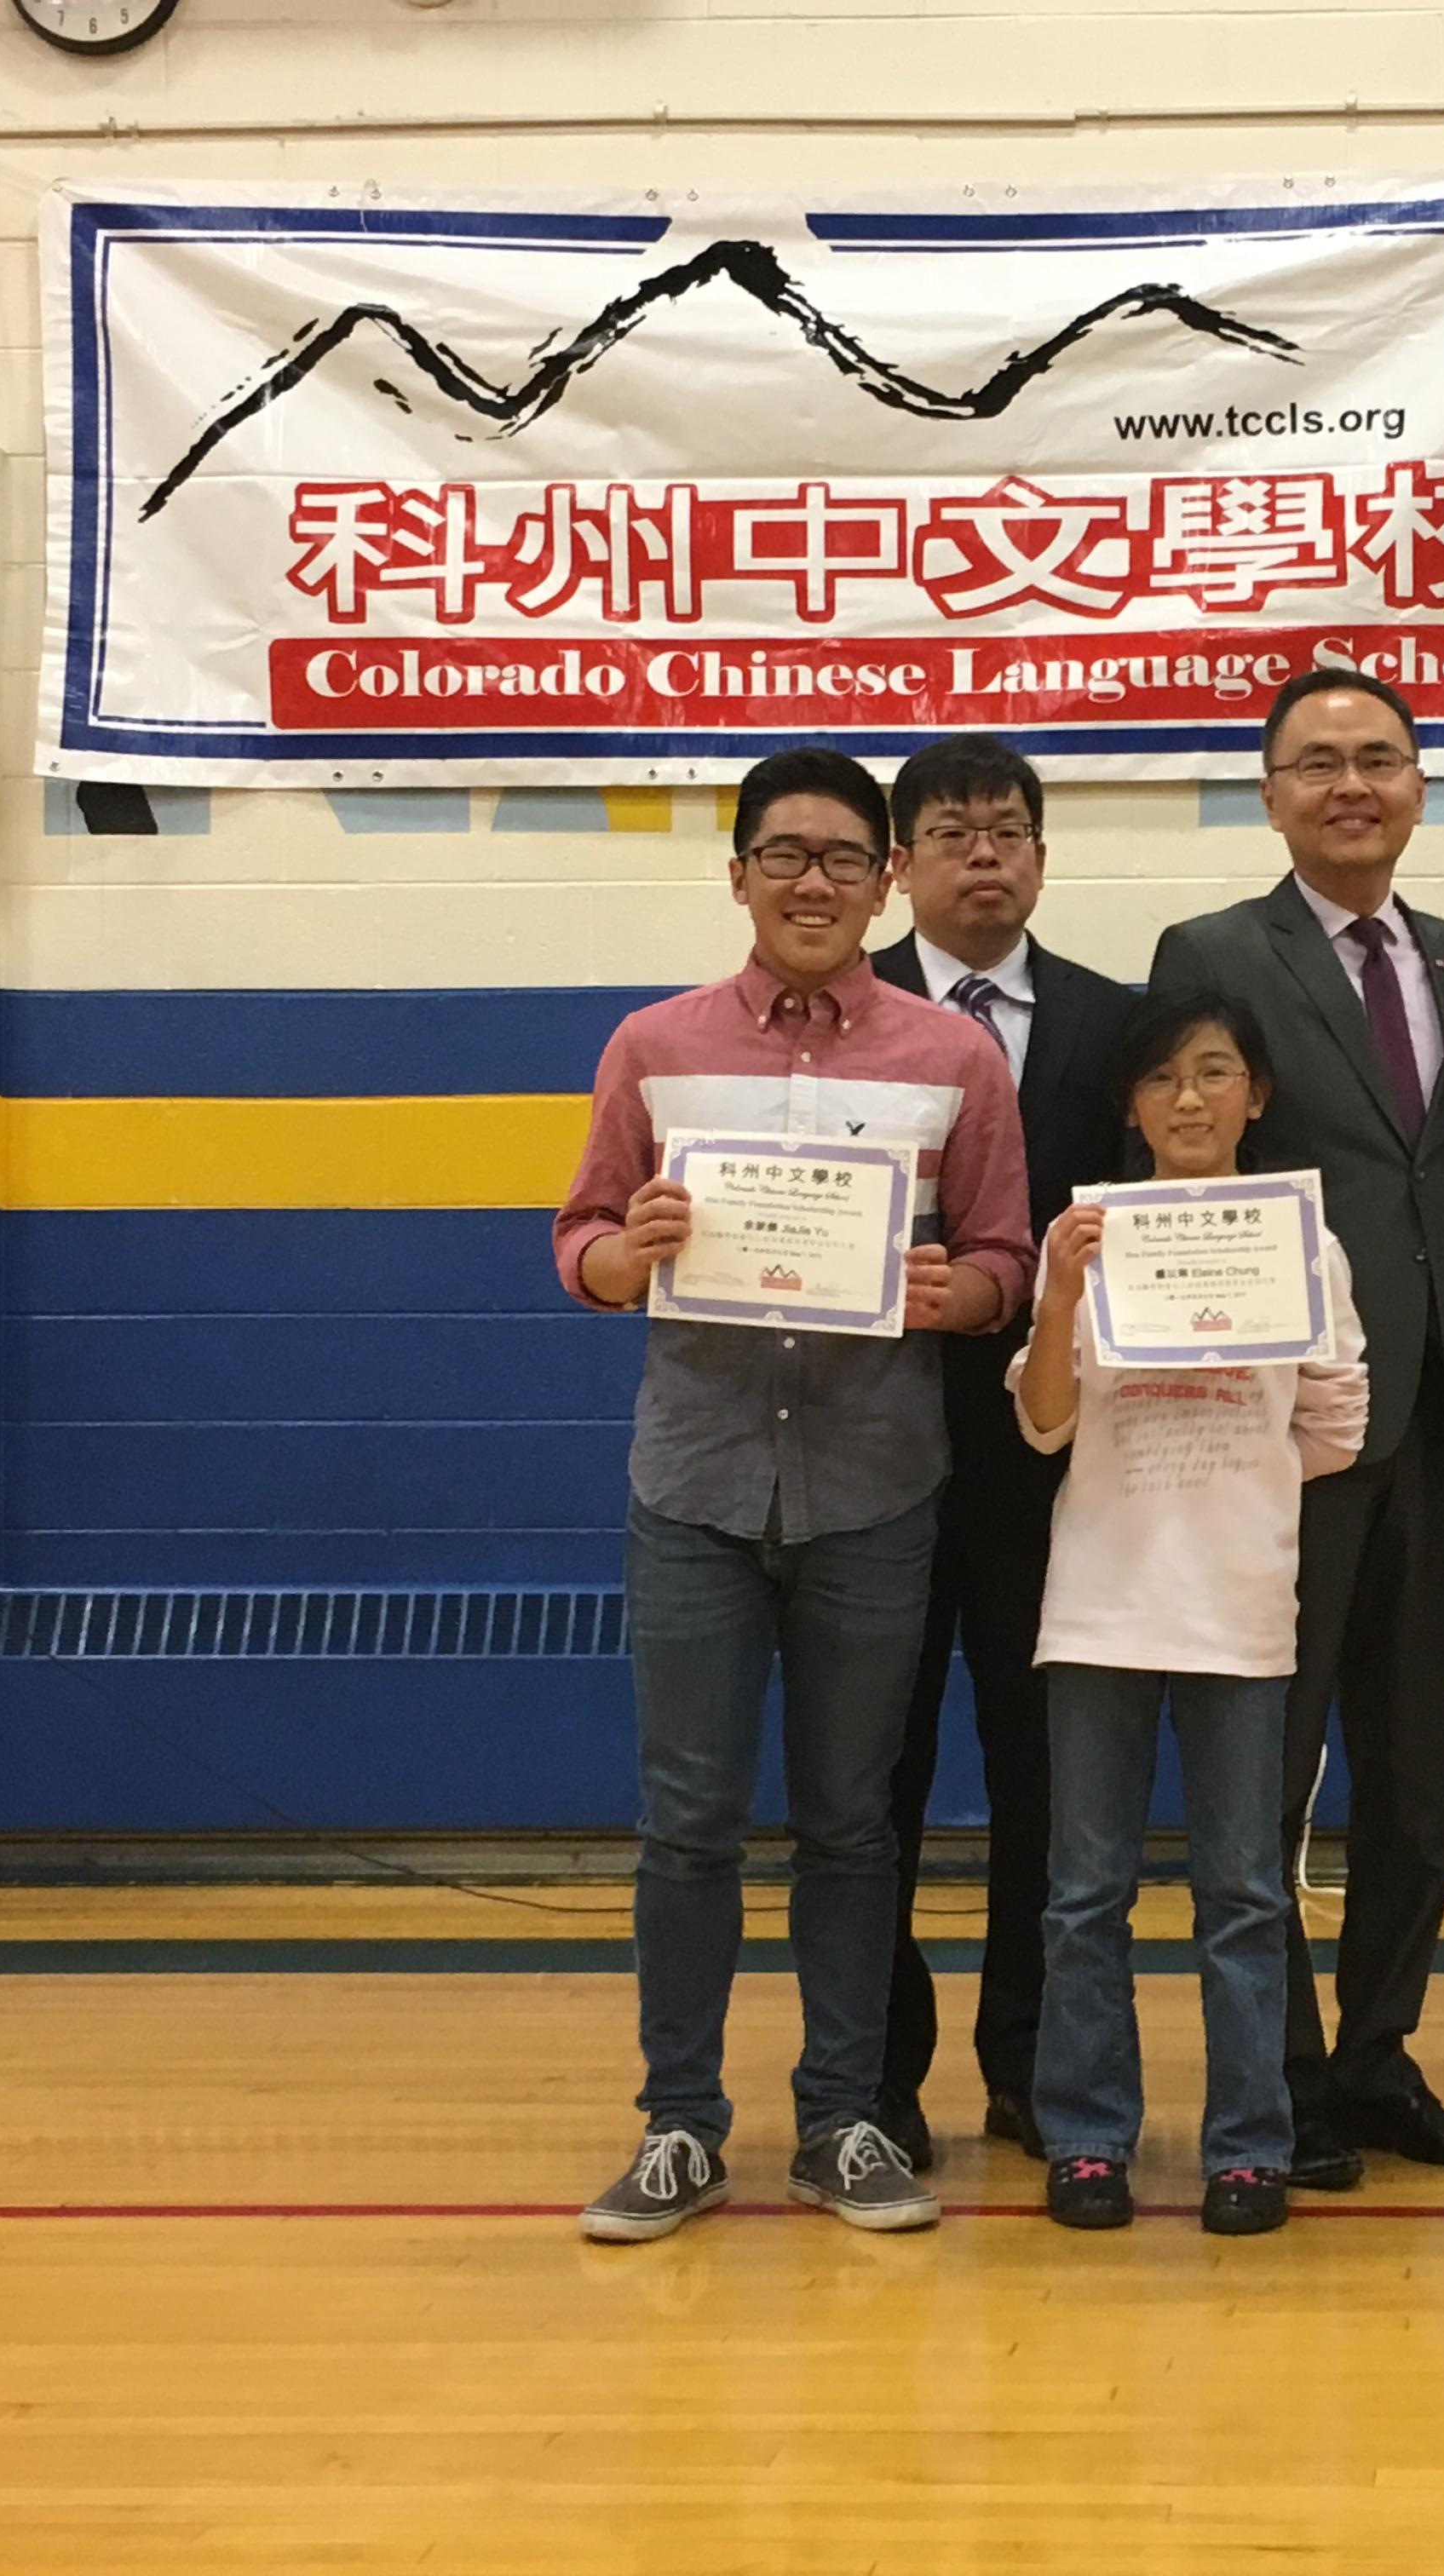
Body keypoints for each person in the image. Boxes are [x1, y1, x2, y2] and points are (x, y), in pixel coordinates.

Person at [555, 747, 1035, 2244]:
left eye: (844, 857)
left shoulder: (954, 1062)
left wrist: (951, 1297)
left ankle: (842, 2123)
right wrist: (628, 1255)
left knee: (852, 1825)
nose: (814, 882)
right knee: (687, 1822)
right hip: (696, 1485)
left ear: (886, 878)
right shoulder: (653, 1045)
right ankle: (682, 2124)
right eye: (785, 854)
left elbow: (1011, 1267)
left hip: (876, 1492)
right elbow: (577, 1244)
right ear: (741, 874)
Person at [1147, 669, 1444, 2186]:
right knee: (1269, 1772)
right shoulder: (1213, 953)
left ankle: (1377, 2060)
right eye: (1317, 764)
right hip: (1283, 1431)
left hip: (1432, 1422)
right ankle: (1277, 2080)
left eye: (1380, 759)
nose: (1350, 784)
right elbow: (1188, 1161)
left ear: (1420, 785)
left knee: (1421, 1782)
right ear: (1272, 792)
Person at [1014, 992, 1371, 2240]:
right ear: (1131, 1105)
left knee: (1243, 1897)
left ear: (1256, 1096)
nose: (1189, 1100)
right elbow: (1045, 1422)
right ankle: (1091, 2138)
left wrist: (1241, 1473)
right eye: (1162, 1079)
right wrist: (1060, 1299)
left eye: (1216, 1073)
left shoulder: (1303, 1245)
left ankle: (1247, 2148)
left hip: (1239, 1608)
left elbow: (1338, 1425)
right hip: (1102, 1606)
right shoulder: (1086, 1232)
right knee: (1084, 1896)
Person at [869, 733, 1132, 2173]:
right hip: (877, 1456)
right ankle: (881, 2071)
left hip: (1057, 1461)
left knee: (1050, 1778)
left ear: (1043, 853)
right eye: (956, 831)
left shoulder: (1116, 1021)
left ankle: (1036, 2066)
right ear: (902, 861)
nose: (988, 853)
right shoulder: (844, 1019)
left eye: (1011, 829)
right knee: (877, 1777)